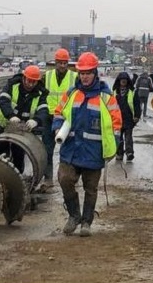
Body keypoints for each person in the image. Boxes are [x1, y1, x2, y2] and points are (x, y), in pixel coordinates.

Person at [52, 51, 121, 237]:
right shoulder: (71, 94)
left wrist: (113, 147)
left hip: (94, 152)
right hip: (71, 150)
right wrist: (57, 128)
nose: (84, 76)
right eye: (82, 73)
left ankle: (86, 222)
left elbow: (116, 124)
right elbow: (59, 113)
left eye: (88, 73)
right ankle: (74, 215)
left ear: (95, 73)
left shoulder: (106, 98)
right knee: (65, 179)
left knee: (90, 189)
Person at [40, 48, 75, 186]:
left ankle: (70, 177)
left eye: (64, 63)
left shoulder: (74, 77)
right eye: (60, 62)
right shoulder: (47, 77)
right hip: (49, 117)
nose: (62, 65)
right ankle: (48, 178)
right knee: (47, 149)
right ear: (55, 62)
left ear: (67, 63)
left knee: (69, 149)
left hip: (67, 118)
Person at [0, 64, 46, 131]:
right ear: (23, 78)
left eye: (34, 82)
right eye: (29, 81)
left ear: (37, 81)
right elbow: (3, 101)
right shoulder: (12, 85)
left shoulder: (41, 93)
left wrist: (36, 120)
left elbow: (44, 110)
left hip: (27, 129)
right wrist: (11, 116)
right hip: (5, 125)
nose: (31, 85)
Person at [112, 71, 141, 162]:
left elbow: (137, 104)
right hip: (117, 119)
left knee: (128, 137)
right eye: (122, 80)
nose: (123, 82)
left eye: (125, 80)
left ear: (127, 81)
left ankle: (129, 153)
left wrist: (137, 116)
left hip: (128, 119)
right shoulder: (114, 93)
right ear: (119, 81)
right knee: (119, 138)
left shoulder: (132, 92)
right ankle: (119, 154)